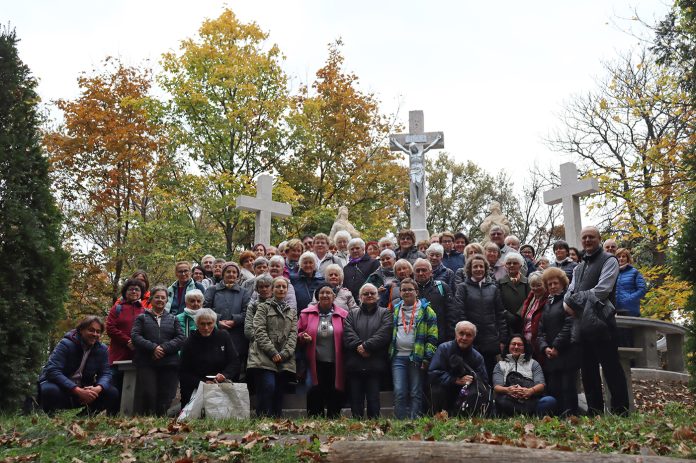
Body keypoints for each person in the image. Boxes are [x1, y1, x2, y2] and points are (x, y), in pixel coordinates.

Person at [566, 225, 628, 415]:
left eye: (591, 237)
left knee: (611, 369)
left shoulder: (610, 260)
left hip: (603, 325)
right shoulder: (579, 267)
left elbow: (602, 290)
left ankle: (621, 412)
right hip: (582, 326)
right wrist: (568, 302)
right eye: (584, 237)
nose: (587, 240)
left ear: (599, 239)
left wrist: (574, 301)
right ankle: (594, 412)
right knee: (588, 371)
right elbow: (569, 292)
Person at [38, 316, 119, 415]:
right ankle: (51, 416)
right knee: (48, 390)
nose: (95, 334)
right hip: (63, 390)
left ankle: (84, 417)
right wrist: (76, 390)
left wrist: (98, 388)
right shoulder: (66, 344)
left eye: (98, 332)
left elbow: (106, 373)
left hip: (84, 391)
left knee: (111, 392)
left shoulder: (102, 349)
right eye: (91, 330)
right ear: (81, 330)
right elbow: (53, 370)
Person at [449, 254, 508, 383]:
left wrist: (503, 339)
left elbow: (500, 315)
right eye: (475, 266)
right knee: (472, 377)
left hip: (491, 339)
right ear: (470, 269)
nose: (478, 269)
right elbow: (459, 313)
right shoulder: (463, 287)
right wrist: (466, 334)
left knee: (490, 375)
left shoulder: (493, 288)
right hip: (470, 341)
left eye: (481, 266)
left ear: (485, 268)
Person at [247, 277, 298, 417]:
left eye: (284, 287)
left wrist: (284, 354)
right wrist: (272, 352)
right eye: (278, 286)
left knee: (279, 390)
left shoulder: (292, 312)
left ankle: (276, 420)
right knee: (268, 386)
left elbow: (293, 335)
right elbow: (259, 330)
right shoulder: (263, 307)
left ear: (287, 290)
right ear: (272, 289)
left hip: (284, 358)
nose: (281, 289)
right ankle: (263, 418)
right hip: (263, 356)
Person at [131, 285, 185, 416]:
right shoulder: (142, 318)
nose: (160, 300)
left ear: (167, 300)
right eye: (157, 297)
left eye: (163, 297)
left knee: (166, 395)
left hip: (169, 363)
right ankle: (148, 421)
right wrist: (153, 348)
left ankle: (161, 421)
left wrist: (163, 349)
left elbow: (181, 337)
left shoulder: (173, 318)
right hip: (147, 362)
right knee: (149, 393)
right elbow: (135, 336)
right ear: (151, 299)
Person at [389, 278, 438, 419]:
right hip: (398, 357)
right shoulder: (396, 308)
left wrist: (427, 357)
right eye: (403, 290)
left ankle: (414, 421)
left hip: (417, 357)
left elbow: (432, 337)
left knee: (416, 391)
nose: (407, 292)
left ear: (416, 292)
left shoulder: (427, 311)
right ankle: (400, 423)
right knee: (399, 391)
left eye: (410, 289)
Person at [297, 284, 348, 417]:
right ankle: (314, 420)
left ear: (334, 296)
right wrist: (302, 336)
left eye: (328, 293)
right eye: (322, 293)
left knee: (334, 391)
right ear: (317, 296)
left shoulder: (343, 315)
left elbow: (348, 336)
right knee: (315, 391)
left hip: (336, 361)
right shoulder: (306, 313)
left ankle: (333, 419)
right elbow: (297, 332)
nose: (325, 295)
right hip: (314, 361)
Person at [343, 283, 393, 418]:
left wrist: (366, 346)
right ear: (360, 297)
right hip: (355, 362)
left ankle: (374, 425)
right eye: (366, 294)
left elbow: (384, 333)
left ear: (378, 296)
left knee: (374, 398)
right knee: (355, 398)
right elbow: (348, 333)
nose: (369, 295)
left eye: (372, 293)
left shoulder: (385, 313)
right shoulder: (351, 314)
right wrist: (359, 345)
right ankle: (356, 425)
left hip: (375, 362)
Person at [537, 267, 579, 416]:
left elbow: (569, 325)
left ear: (562, 283)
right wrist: (545, 348)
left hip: (566, 352)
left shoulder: (567, 301)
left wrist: (556, 346)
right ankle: (556, 417)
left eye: (556, 283)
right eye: (550, 284)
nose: (553, 286)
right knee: (554, 388)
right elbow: (540, 330)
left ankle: (571, 417)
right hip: (550, 355)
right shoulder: (547, 304)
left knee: (568, 387)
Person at [178, 308, 241, 406]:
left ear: (214, 323)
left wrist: (225, 375)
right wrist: (202, 383)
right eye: (202, 324)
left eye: (209, 323)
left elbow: (234, 361)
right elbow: (183, 371)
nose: (206, 327)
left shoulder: (223, 336)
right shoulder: (189, 342)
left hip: (221, 383)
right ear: (196, 324)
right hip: (196, 386)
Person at [428, 321, 488, 416]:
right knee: (437, 388)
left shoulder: (478, 357)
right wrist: (454, 380)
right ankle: (439, 415)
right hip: (446, 390)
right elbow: (433, 373)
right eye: (461, 333)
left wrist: (471, 380)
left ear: (473, 338)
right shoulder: (443, 349)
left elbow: (483, 381)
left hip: (467, 394)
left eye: (468, 335)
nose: (464, 338)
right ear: (455, 334)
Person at [204, 261, 251, 377]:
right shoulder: (212, 290)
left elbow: (247, 312)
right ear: (223, 274)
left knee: (233, 371)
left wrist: (234, 320)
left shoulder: (244, 292)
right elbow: (205, 309)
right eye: (228, 272)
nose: (231, 274)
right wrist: (218, 320)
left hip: (237, 336)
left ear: (238, 275)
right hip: (215, 332)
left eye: (234, 272)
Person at [492, 335, 556, 417]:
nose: (516, 347)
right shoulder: (500, 365)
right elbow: (497, 387)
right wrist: (508, 390)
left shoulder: (533, 363)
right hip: (509, 399)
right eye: (513, 344)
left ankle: (534, 417)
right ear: (508, 346)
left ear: (525, 347)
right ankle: (521, 415)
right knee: (498, 401)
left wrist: (530, 391)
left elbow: (541, 385)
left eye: (520, 344)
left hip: (530, 399)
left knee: (550, 401)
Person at [106, 278, 146, 391]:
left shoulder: (145, 311)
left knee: (133, 389)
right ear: (125, 292)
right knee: (115, 386)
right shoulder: (117, 308)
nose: (134, 292)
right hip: (118, 355)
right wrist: (127, 341)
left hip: (137, 355)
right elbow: (110, 328)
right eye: (131, 289)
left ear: (141, 293)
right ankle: (113, 409)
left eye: (137, 289)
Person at [413, 258, 453, 344]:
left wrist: (450, 337)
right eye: (418, 270)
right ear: (414, 273)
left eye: (424, 270)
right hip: (416, 338)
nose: (421, 273)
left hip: (440, 337)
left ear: (431, 272)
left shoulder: (442, 287)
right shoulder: (409, 289)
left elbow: (451, 313)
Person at [498, 252, 530, 334]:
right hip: (506, 322)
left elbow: (530, 299)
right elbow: (498, 301)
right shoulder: (499, 283)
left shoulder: (527, 282)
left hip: (523, 321)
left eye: (515, 263)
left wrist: (519, 315)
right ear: (505, 266)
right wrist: (507, 314)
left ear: (520, 265)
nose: (511, 265)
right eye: (509, 263)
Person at [519, 272, 546, 363]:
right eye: (532, 285)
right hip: (527, 341)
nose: (535, 288)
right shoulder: (532, 298)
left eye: (538, 285)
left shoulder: (548, 300)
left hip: (539, 342)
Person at [615, 248, 647, 317]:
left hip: (630, 310)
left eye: (623, 256)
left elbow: (642, 289)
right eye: (619, 256)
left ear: (627, 258)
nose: (621, 258)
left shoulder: (634, 272)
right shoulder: (613, 273)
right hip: (614, 311)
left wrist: (629, 299)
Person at [244, 274, 274, 342]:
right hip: (257, 346)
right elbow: (248, 330)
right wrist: (264, 343)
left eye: (267, 286)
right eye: (261, 287)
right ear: (257, 289)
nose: (264, 289)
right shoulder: (252, 306)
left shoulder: (279, 304)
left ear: (272, 287)